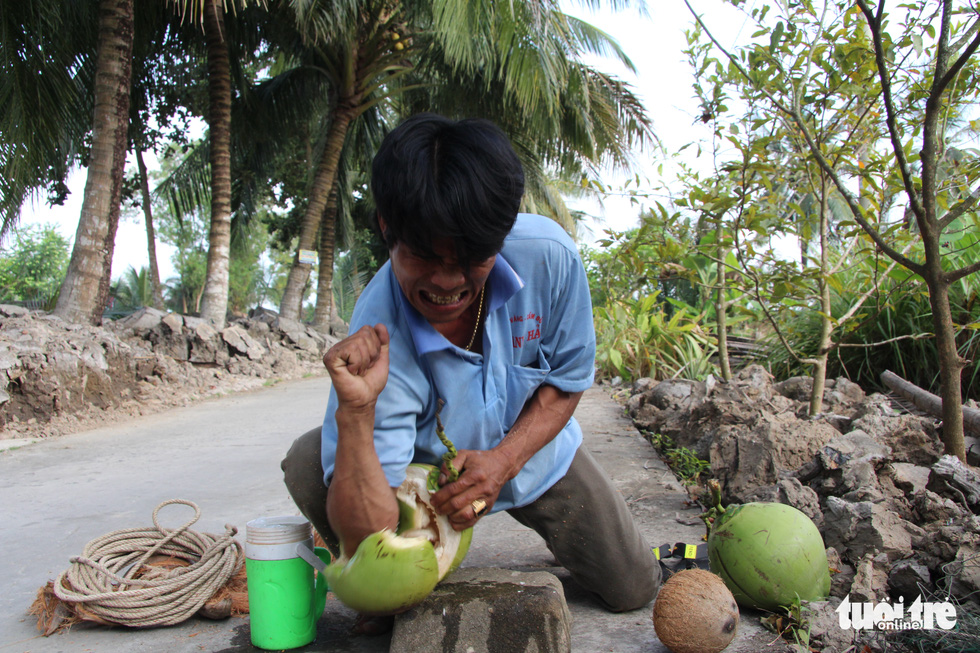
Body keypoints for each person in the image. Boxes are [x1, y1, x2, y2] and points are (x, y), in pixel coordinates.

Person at [281, 113, 660, 621]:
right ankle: (392, 580)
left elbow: (567, 383)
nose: (448, 282)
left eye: (472, 257)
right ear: (386, 227)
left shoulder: (550, 257)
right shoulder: (377, 330)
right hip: (418, 475)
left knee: (634, 587)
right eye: (423, 256)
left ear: (500, 236)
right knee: (314, 463)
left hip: (531, 457)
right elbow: (367, 530)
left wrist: (504, 461)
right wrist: (353, 414)